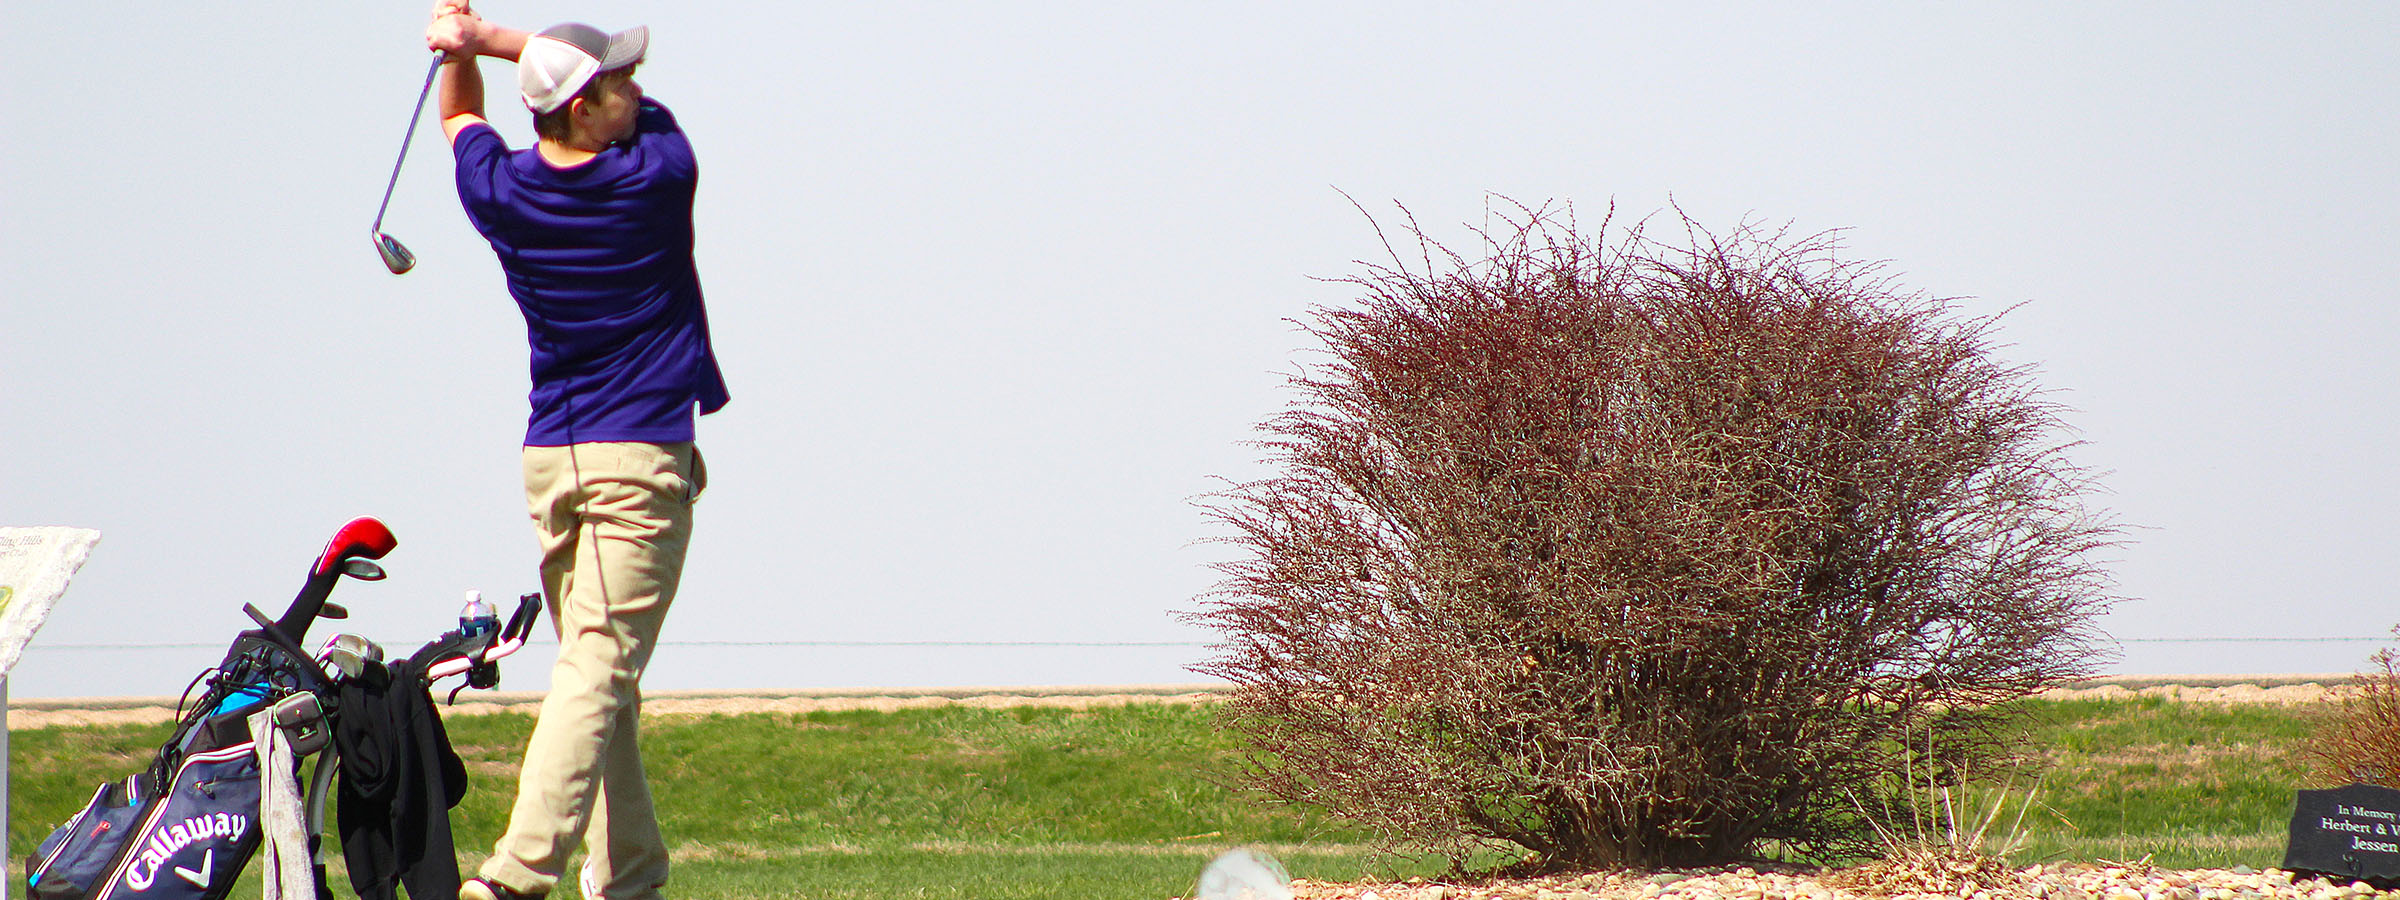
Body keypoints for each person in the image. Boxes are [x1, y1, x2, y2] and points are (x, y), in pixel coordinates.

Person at [424, 5, 728, 899]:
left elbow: (458, 121)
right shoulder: (658, 174)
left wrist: (463, 53)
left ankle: (631, 876)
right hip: (639, 465)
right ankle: (513, 880)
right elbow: (482, 104)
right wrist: (488, 41)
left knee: (605, 679)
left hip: (554, 463)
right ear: (581, 109)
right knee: (596, 667)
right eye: (615, 85)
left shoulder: (501, 193)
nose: (634, 91)